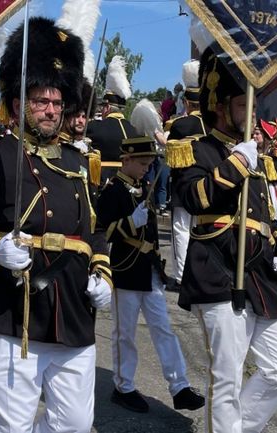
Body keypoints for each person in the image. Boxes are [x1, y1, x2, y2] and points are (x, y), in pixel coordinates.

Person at [0, 17, 111, 432]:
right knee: (10, 428)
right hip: (13, 313)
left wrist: (102, 272)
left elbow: (95, 231)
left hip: (72, 313)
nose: (51, 110)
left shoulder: (80, 163)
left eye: (56, 101)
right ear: (17, 104)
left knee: (74, 425)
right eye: (39, 100)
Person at [173, 46, 277, 433]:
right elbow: (192, 198)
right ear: (220, 106)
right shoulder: (196, 149)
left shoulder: (257, 156)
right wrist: (236, 165)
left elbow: (265, 219)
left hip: (262, 274)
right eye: (241, 103)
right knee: (227, 378)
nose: (252, 114)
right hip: (219, 269)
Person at [97, 132, 204, 414]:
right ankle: (123, 386)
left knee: (163, 330)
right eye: (142, 163)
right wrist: (130, 223)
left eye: (148, 164)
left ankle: (179, 386)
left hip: (150, 270)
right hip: (126, 270)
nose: (147, 169)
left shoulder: (144, 187)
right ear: (126, 160)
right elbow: (102, 232)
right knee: (125, 334)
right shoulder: (112, 191)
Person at [166, 60, 206, 292]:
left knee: (181, 231)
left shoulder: (180, 125)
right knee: (202, 230)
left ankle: (181, 276)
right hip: (207, 186)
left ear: (188, 103)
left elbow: (169, 156)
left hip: (183, 186)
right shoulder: (211, 126)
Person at [86, 55, 139, 183]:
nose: (101, 110)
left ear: (108, 107)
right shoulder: (136, 131)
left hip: (102, 184)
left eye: (103, 107)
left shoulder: (94, 127)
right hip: (129, 185)